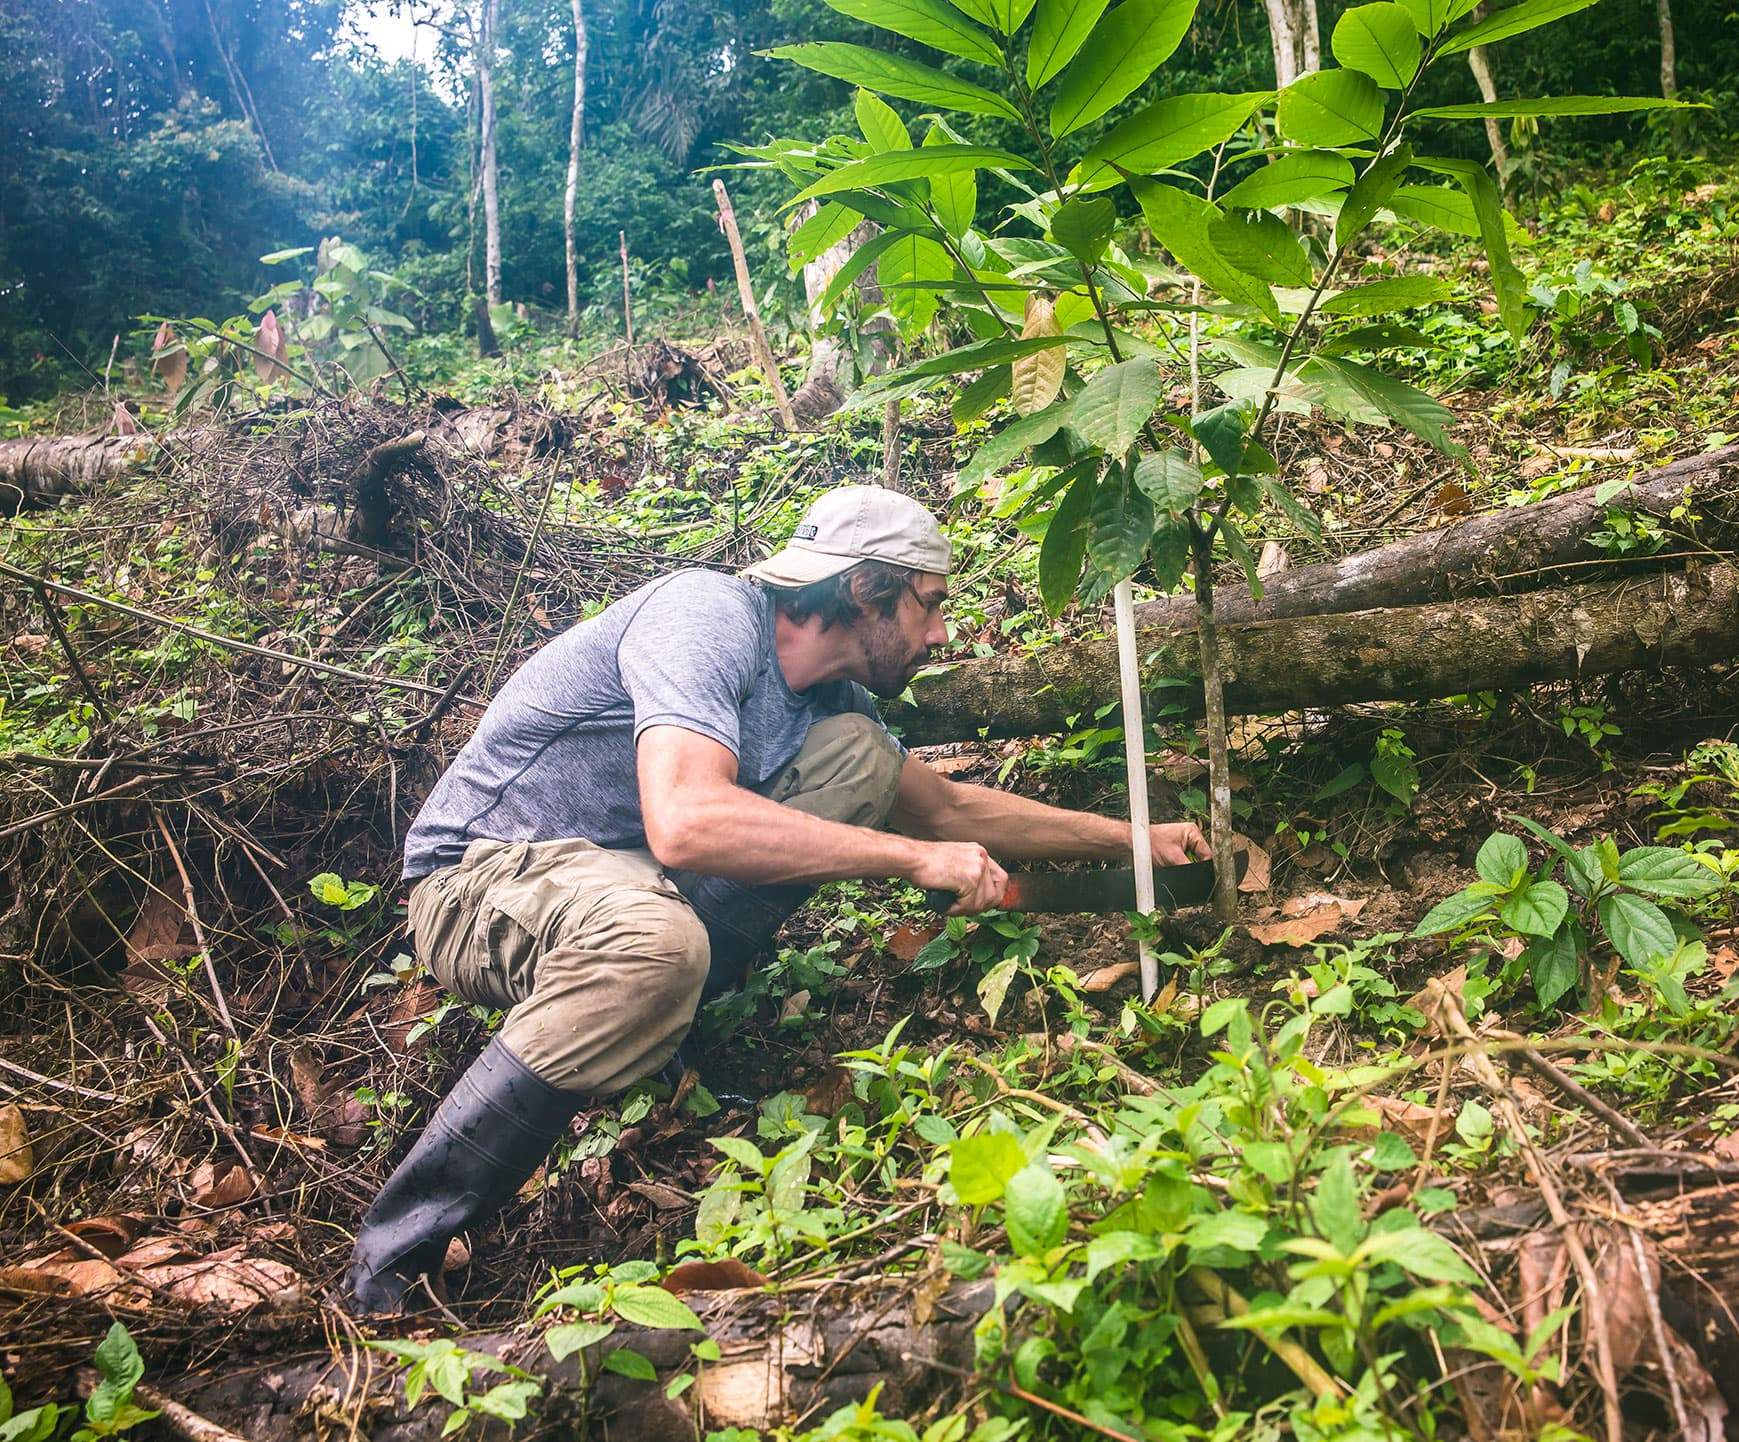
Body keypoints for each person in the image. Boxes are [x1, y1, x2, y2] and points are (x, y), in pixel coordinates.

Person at [346, 484, 1208, 1314]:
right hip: (483, 879)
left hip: (623, 877)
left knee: (861, 755)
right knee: (655, 942)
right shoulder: (706, 615)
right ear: (866, 590)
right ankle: (396, 1254)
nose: (942, 633)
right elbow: (685, 823)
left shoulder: (830, 700)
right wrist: (912, 861)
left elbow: (949, 808)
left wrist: (1133, 838)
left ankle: (675, 1022)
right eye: (928, 604)